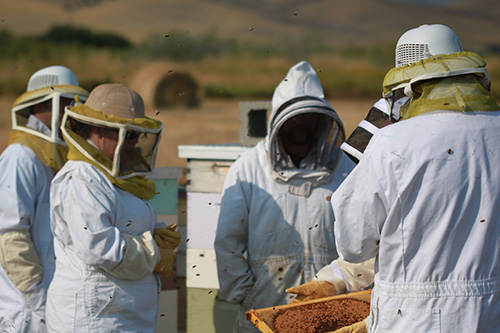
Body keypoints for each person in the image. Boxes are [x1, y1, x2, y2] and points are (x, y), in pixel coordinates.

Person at [294, 24, 500, 332]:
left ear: (409, 87)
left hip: (414, 317)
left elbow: (354, 244)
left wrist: (344, 271)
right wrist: (340, 277)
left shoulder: (394, 143)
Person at [214, 60, 356, 332]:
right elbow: (228, 241)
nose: (302, 123)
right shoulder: (248, 168)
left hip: (329, 310)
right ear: (278, 118)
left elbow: (360, 240)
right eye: (295, 116)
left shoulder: (344, 168)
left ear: (321, 117)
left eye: (308, 114)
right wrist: (247, 294)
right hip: (264, 312)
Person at [45, 83, 181, 332]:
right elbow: (97, 246)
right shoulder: (82, 178)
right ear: (98, 130)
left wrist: (157, 233)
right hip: (94, 317)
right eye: (127, 134)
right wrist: (153, 250)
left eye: (137, 135)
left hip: (121, 314)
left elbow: (126, 221)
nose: (133, 143)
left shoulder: (116, 175)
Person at [0, 65, 88, 332]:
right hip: (23, 306)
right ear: (41, 104)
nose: (70, 112)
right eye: (64, 103)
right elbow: (9, 236)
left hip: (51, 298)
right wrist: (34, 295)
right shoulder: (20, 157)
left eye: (73, 104)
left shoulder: (53, 158)